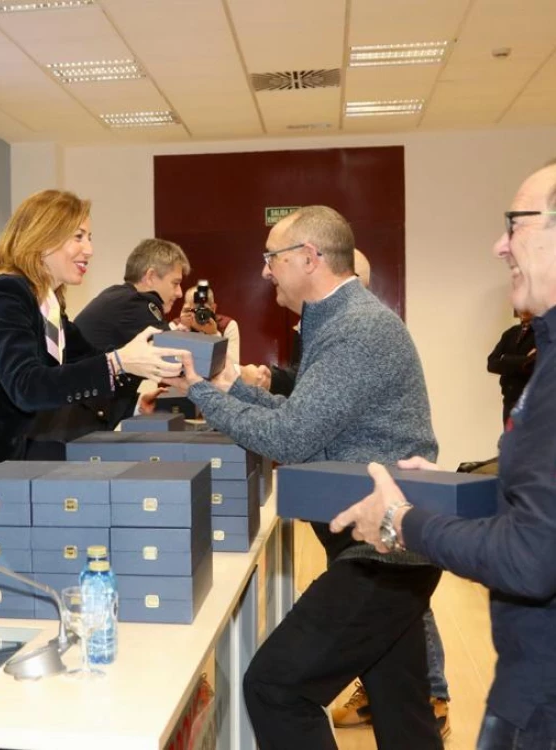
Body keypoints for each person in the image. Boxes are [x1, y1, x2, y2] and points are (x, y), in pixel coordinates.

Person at [169, 206, 444, 749]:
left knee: (276, 687)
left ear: (310, 258)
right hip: (391, 548)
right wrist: (228, 386)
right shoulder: (341, 322)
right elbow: (308, 416)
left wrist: (199, 391)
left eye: (272, 258)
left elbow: (291, 439)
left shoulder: (353, 331)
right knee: (403, 708)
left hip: (383, 557)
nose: (267, 271)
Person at [331, 160, 556, 749]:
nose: (499, 245)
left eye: (517, 224)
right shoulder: (547, 353)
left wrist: (401, 521)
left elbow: (532, 560)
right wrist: (449, 488)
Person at [0, 191, 186, 562]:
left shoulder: (47, 304)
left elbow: (89, 365)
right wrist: (119, 363)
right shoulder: (3, 293)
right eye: (78, 236)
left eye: (89, 238)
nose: (89, 250)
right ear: (42, 238)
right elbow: (27, 386)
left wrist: (145, 377)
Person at [24, 238, 190, 458]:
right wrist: (238, 374)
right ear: (150, 276)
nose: (179, 292)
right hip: (65, 434)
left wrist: (137, 403)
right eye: (175, 283)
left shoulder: (117, 296)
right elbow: (176, 356)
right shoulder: (137, 303)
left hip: (66, 429)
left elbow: (103, 366)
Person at [244, 248, 371, 394]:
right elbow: (303, 381)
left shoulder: (356, 331)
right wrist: (265, 379)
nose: (266, 272)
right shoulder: (313, 324)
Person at [486, 310, 535, 425]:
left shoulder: (543, 335)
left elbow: (535, 364)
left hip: (532, 403)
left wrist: (506, 359)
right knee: (509, 442)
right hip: (509, 400)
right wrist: (522, 361)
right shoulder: (510, 333)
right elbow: (491, 363)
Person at [176, 283, 241, 364]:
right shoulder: (177, 324)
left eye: (202, 309)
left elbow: (234, 364)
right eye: (193, 310)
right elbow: (170, 360)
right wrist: (180, 331)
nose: (199, 314)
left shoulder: (227, 325)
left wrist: (214, 335)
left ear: (213, 308)